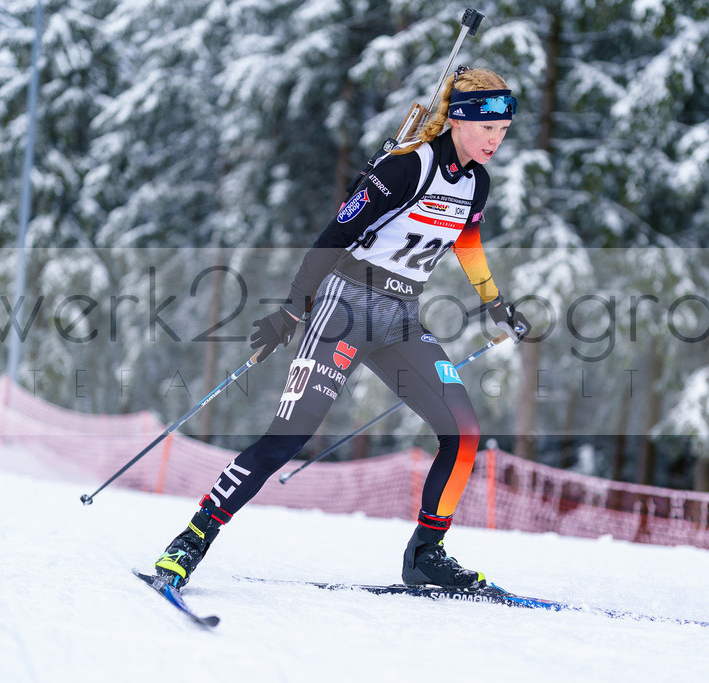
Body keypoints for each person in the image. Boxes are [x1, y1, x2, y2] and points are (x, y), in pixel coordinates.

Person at [153, 66, 530, 590]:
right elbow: (335, 233)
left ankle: (426, 554)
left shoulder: (476, 181)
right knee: (288, 436)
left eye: (504, 131)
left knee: (463, 432)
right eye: (488, 128)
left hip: (401, 315)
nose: (496, 140)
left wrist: (495, 302)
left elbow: (465, 240)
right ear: (459, 120)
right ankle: (192, 539)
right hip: (347, 305)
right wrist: (292, 307)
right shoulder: (407, 167)